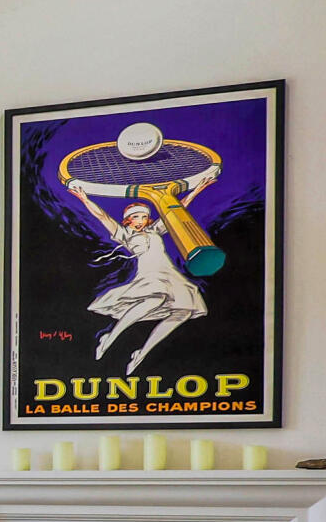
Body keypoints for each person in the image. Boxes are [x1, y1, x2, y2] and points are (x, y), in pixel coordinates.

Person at [59, 161, 221, 377]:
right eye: (136, 217)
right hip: (150, 275)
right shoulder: (125, 234)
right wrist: (84, 198)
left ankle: (141, 354)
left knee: (183, 312)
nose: (140, 220)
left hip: (170, 274)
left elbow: (178, 208)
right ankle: (110, 337)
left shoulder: (155, 230)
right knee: (154, 299)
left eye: (144, 216)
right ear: (127, 219)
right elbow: (103, 217)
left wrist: (199, 188)